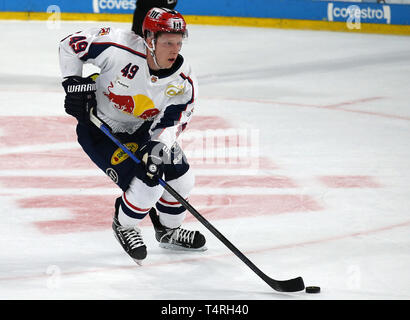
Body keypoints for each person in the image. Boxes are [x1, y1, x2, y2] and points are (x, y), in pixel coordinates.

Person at [59, 7, 206, 265]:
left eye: (179, 43)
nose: (175, 50)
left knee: (183, 178)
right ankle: (125, 225)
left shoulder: (183, 80)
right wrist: (72, 83)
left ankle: (168, 231)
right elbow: (70, 45)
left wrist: (157, 148)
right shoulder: (117, 46)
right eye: (168, 42)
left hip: (142, 131)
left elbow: (174, 120)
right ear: (149, 39)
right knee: (147, 185)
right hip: (99, 130)